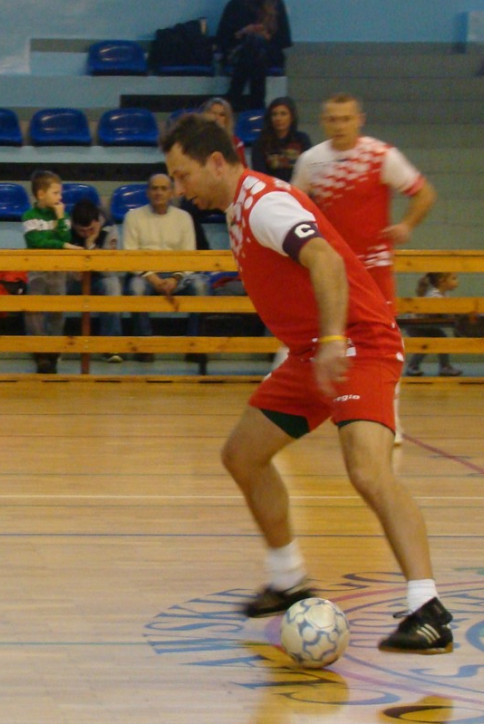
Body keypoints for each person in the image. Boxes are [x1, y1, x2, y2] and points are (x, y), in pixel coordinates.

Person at [161, 112, 453, 654]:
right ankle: (288, 578)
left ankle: (427, 608)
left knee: (367, 470)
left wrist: (336, 340)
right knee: (243, 454)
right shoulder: (234, 209)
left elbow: (326, 262)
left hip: (358, 342)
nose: (180, 189)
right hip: (309, 350)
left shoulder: (264, 203)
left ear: (217, 162)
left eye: (183, 176)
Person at [292, 93, 437, 441]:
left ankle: (389, 420)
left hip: (374, 269)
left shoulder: (381, 155)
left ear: (360, 119)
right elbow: (293, 206)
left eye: (346, 118)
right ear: (323, 122)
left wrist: (406, 226)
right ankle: (290, 409)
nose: (340, 125)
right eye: (332, 119)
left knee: (384, 346)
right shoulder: (311, 162)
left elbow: (424, 193)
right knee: (308, 336)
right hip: (331, 268)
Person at [122, 173, 206, 362]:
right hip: (145, 275)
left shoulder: (184, 218)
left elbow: (189, 255)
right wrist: (154, 279)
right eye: (154, 188)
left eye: (163, 188)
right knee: (136, 288)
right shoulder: (133, 217)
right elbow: (130, 257)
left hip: (178, 274)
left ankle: (194, 346)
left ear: (171, 193)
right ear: (147, 192)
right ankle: (145, 346)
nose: (159, 193)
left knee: (200, 286)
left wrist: (174, 278)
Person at [23, 170, 83, 374]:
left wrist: (60, 219)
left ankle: (54, 351)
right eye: (56, 193)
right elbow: (36, 242)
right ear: (41, 194)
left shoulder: (62, 215)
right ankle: (40, 352)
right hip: (38, 270)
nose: (60, 197)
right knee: (35, 312)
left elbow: (65, 234)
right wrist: (64, 246)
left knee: (57, 312)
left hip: (58, 272)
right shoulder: (29, 217)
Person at [69, 199, 123, 361]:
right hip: (73, 278)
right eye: (81, 231)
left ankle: (110, 346)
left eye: (90, 230)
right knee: (52, 284)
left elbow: (108, 267)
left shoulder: (109, 228)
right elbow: (67, 268)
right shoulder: (65, 227)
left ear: (97, 222)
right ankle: (51, 348)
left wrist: (91, 246)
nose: (86, 234)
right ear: (73, 224)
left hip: (100, 278)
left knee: (112, 286)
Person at [217, 0, 292, 111]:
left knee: (256, 42)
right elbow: (222, 38)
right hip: (238, 52)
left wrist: (267, 37)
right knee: (254, 43)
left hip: (268, 53)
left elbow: (284, 40)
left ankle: (234, 94)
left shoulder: (277, 4)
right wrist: (243, 32)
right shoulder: (235, 4)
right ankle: (257, 102)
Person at [404, 272, 462, 377]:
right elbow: (444, 312)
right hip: (416, 324)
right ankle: (412, 366)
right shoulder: (435, 295)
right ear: (442, 281)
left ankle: (445, 367)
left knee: (442, 339)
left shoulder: (444, 295)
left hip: (426, 325)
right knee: (425, 344)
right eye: (454, 278)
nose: (457, 281)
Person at [251, 96, 311, 182]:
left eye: (283, 114)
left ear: (292, 117)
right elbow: (260, 175)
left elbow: (307, 170)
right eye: (274, 114)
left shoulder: (302, 139)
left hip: (297, 189)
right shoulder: (259, 143)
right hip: (271, 191)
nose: (278, 118)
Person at [202, 98, 247, 167]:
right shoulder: (196, 141)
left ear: (227, 119)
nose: (217, 118)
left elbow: (242, 169)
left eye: (222, 115)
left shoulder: (236, 143)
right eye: (213, 113)